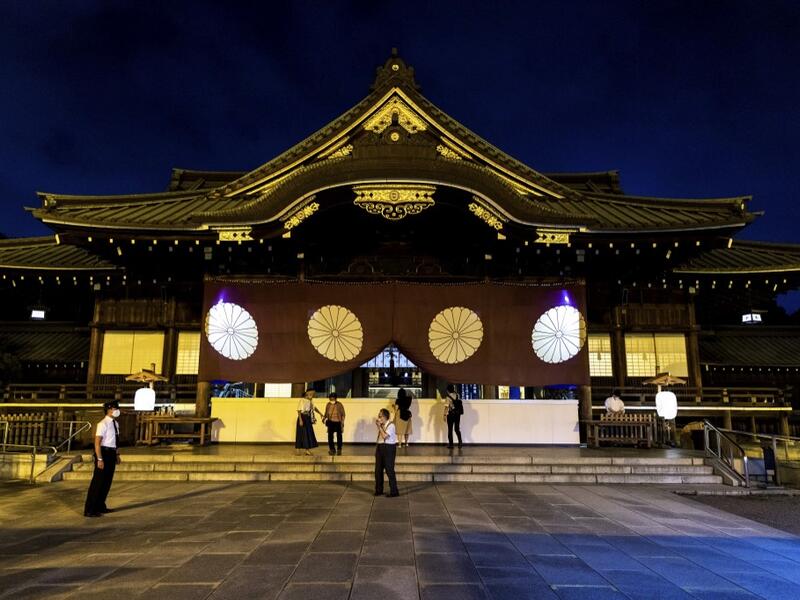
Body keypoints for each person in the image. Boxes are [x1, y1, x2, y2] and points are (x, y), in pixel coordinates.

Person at [83, 400, 121, 517]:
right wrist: (99, 459)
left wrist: (117, 454)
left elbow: (115, 441)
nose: (117, 411)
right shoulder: (102, 424)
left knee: (107, 482)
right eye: (115, 409)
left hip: (111, 453)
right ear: (109, 410)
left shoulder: (115, 424)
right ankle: (90, 509)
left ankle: (100, 506)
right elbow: (97, 443)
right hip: (103, 453)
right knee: (98, 482)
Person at [374, 408, 399, 497]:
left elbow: (385, 436)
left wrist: (379, 427)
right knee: (378, 470)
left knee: (389, 470)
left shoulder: (391, 425)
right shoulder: (382, 425)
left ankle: (394, 491)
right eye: (379, 416)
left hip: (389, 449)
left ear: (385, 417)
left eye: (380, 416)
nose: (379, 418)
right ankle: (379, 490)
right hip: (380, 448)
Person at [296, 388, 323, 455]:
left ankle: (307, 450)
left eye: (313, 393)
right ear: (307, 393)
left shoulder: (310, 401)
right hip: (302, 417)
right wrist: (300, 420)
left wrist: (320, 413)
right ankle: (297, 450)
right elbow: (299, 410)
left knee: (308, 434)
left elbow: (314, 408)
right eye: (311, 393)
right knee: (300, 433)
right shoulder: (302, 400)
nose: (312, 394)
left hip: (308, 418)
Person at [444, 384, 464, 448]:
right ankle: (460, 442)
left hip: (451, 415)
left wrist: (444, 415)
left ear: (448, 390)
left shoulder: (448, 397)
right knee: (457, 429)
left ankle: (451, 445)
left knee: (450, 429)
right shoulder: (458, 395)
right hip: (458, 414)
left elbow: (446, 407)